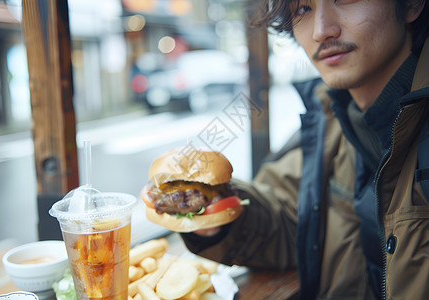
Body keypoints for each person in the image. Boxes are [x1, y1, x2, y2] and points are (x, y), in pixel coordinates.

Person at [177, 0, 429, 299]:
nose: (322, 31)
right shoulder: (336, 118)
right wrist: (212, 207)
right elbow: (293, 218)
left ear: (412, 5)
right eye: (302, 9)